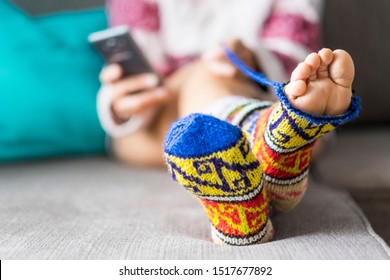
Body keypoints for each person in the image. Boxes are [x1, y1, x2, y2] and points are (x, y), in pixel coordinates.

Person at [97, 0, 360, 245]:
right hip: (156, 122)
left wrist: (252, 58)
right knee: (200, 86)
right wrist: (122, 99)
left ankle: (247, 203)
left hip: (250, 89)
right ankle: (270, 138)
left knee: (212, 73)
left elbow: (295, 54)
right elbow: (133, 63)